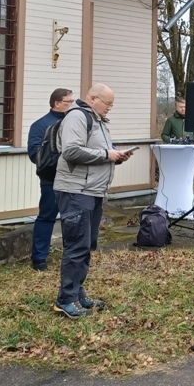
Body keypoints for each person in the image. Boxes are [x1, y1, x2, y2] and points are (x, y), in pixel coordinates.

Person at [52, 83, 132, 319]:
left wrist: (115, 157)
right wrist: (106, 155)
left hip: (93, 191)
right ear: (93, 98)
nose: (109, 108)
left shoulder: (97, 121)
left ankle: (77, 293)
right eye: (107, 104)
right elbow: (71, 151)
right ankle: (65, 300)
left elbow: (99, 152)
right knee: (76, 246)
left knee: (87, 245)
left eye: (111, 105)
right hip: (77, 191)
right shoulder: (77, 117)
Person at [26, 87, 74, 271]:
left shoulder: (74, 123)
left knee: (73, 218)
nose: (71, 105)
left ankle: (71, 255)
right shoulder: (40, 125)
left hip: (73, 178)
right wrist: (58, 158)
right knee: (47, 217)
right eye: (68, 102)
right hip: (51, 179)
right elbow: (34, 155)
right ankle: (39, 259)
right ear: (57, 103)